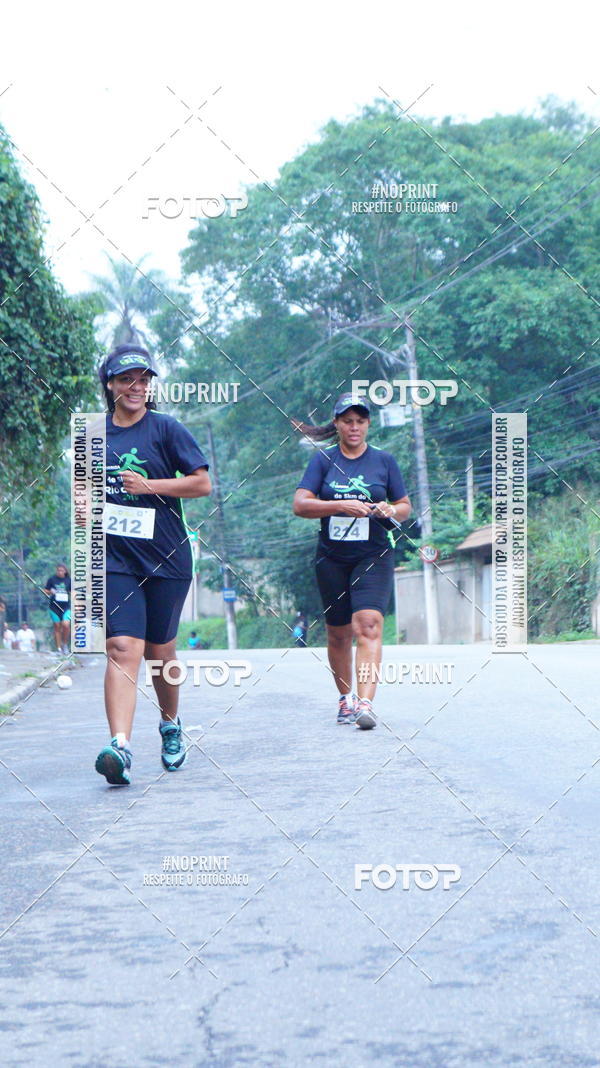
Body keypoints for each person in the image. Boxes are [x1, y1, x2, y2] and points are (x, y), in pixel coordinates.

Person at [95, 344, 211, 786]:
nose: (137, 387)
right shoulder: (93, 434)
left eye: (144, 380)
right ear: (111, 384)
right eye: (127, 379)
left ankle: (169, 724)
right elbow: (83, 495)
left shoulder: (166, 429)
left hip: (166, 557)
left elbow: (201, 483)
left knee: (161, 651)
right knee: (124, 647)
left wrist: (148, 486)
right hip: (115, 558)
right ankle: (120, 747)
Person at [293, 392, 411, 730]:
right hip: (332, 557)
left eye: (360, 421)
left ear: (368, 424)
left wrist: (390, 509)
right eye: (347, 421)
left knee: (369, 624)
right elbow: (300, 504)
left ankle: (365, 703)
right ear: (337, 424)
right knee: (339, 634)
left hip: (373, 553)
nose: (354, 427)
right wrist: (339, 506)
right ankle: (346, 698)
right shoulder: (322, 461)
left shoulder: (384, 461)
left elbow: (404, 505)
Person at [43, 563, 72, 654]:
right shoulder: (52, 579)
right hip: (54, 606)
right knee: (57, 626)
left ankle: (65, 644)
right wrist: (50, 591)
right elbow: (45, 591)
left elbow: (73, 592)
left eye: (61, 570)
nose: (59, 572)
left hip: (66, 607)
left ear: (65, 571)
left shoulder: (69, 580)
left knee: (66, 625)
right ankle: (59, 648)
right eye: (58, 570)